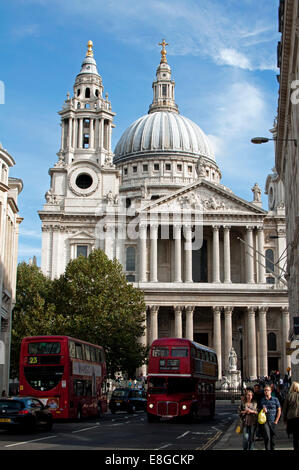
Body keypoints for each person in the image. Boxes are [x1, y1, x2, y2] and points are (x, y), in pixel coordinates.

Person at [259, 384, 281, 450]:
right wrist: (262, 410)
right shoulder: (262, 400)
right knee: (267, 437)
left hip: (273, 421)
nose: (266, 392)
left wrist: (276, 421)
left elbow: (279, 410)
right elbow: (259, 410)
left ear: (270, 391)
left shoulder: (275, 399)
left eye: (267, 390)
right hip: (265, 421)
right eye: (265, 390)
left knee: (272, 439)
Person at [282, 381, 299, 451]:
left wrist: (284, 419)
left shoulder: (289, 396)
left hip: (292, 418)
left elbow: (285, 409)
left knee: (295, 436)